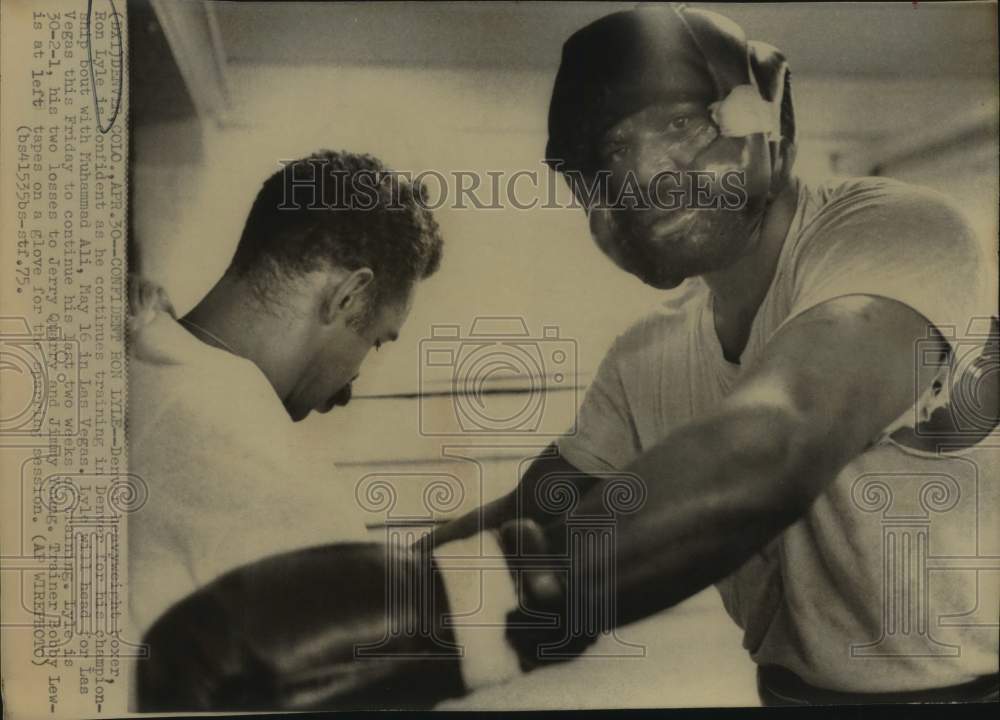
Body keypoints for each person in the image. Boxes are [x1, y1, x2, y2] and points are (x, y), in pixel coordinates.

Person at [430, 4, 999, 705]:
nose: (646, 174)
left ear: (762, 120)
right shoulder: (648, 356)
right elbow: (541, 506)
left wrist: (459, 614)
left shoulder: (894, 231)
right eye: (612, 151)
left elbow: (774, 444)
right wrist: (371, 582)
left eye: (679, 125)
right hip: (794, 695)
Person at [126, 149, 444, 639]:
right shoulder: (283, 479)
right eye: (375, 341)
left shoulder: (117, 346)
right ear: (349, 296)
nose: (346, 393)